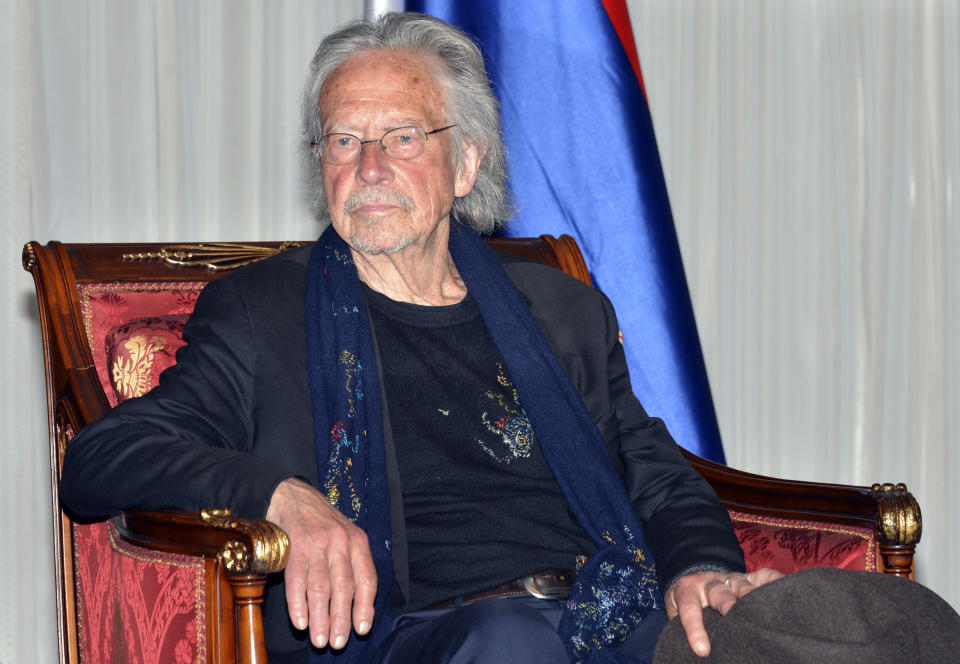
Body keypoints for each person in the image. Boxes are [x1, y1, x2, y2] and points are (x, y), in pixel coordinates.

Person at [59, 12, 959, 664]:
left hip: (605, 617)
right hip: (421, 636)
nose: (368, 168)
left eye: (402, 136)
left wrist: (704, 567)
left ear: (466, 164)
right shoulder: (260, 312)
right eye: (343, 141)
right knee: (512, 644)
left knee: (887, 624)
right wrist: (283, 494)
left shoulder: (559, 311)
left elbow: (654, 470)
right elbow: (101, 459)